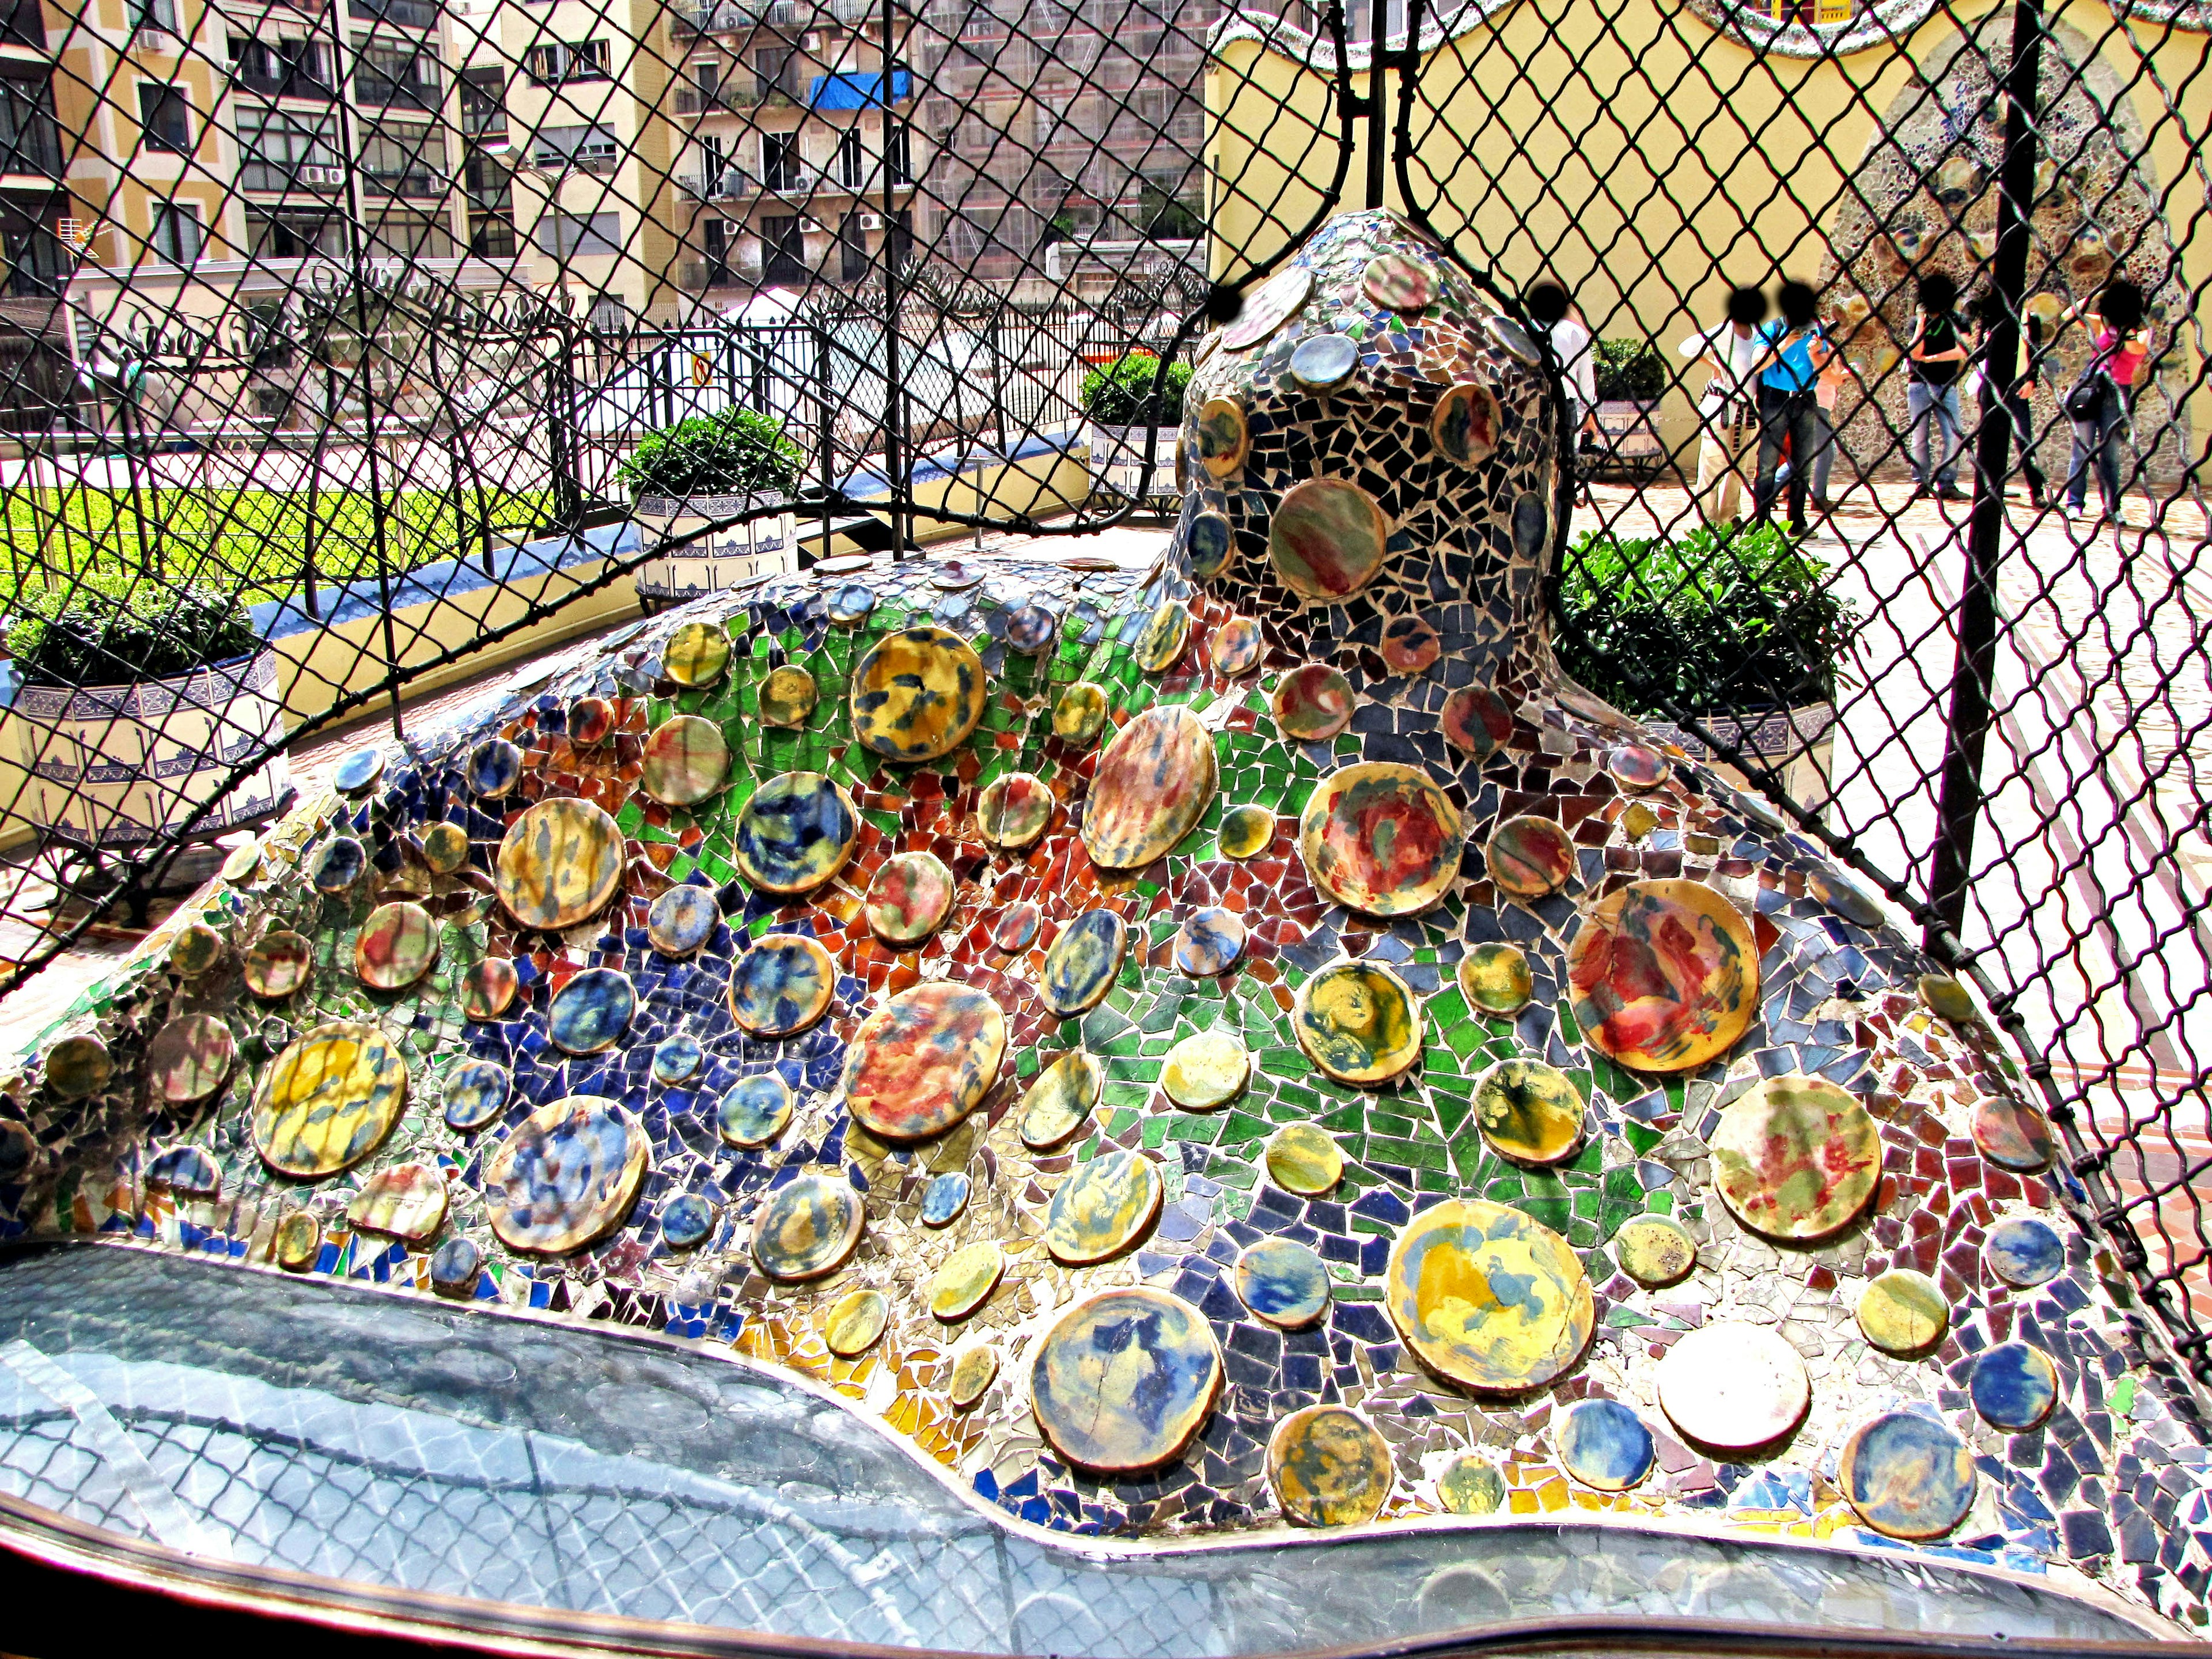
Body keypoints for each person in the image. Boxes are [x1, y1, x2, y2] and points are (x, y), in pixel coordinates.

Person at [2059, 279, 2150, 527]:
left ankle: (2112, 507)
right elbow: (2069, 314)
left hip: (2118, 392)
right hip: (2091, 388)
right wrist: (2099, 292)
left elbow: (2136, 349)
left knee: (2110, 454)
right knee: (2082, 450)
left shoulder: (2142, 330)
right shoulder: (2101, 323)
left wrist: (2125, 326)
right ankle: (2074, 504)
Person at [1680, 285, 1768, 527]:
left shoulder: (1757, 334)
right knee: (1713, 465)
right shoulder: (1723, 332)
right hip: (1722, 408)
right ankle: (1707, 520)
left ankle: (1730, 516)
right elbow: (1687, 347)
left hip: (1748, 411)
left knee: (1739, 468)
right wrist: (1714, 364)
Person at [1752, 279, 1831, 534]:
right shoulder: (1772, 328)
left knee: (1802, 463)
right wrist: (1784, 343)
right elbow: (1758, 363)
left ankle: (1797, 522)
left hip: (1806, 397)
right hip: (1776, 398)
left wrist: (1816, 353)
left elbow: (1827, 371)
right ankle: (1761, 523)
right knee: (1767, 464)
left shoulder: (1817, 329)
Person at [1906, 271, 1969, 502]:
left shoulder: (1958, 320)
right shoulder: (1915, 323)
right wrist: (1921, 322)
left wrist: (1932, 359)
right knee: (1919, 437)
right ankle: (1920, 483)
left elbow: (1962, 350)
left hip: (1947, 384)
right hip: (1919, 386)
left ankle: (1947, 482)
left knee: (1954, 434)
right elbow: (1914, 352)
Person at [1527, 281, 1598, 482]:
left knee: (1531, 465)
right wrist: (1589, 417)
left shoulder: (1525, 328)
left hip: (1532, 402)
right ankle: (1559, 510)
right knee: (1562, 467)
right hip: (1567, 406)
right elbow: (1586, 380)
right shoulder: (1576, 333)